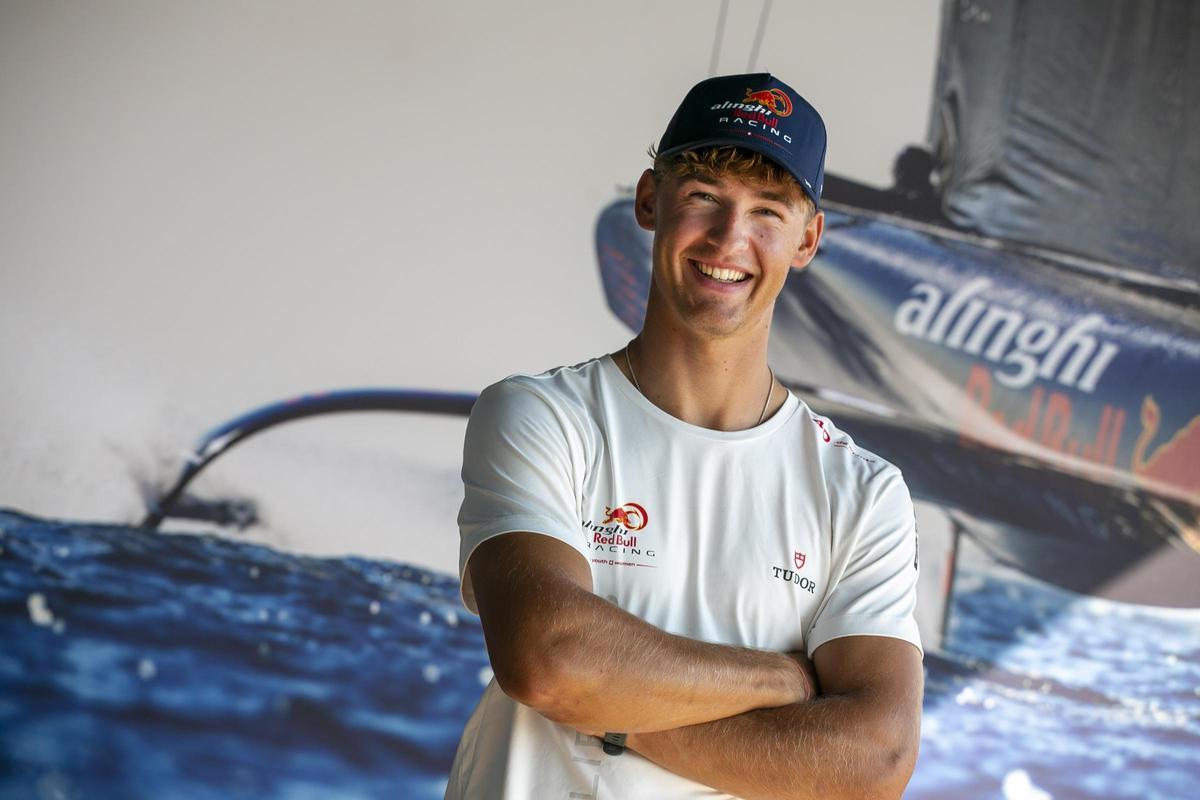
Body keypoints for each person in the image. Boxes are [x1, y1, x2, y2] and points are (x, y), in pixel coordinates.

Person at [444, 73, 924, 800]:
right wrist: (778, 678)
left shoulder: (861, 492)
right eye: (705, 195)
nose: (731, 239)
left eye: (768, 211)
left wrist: (607, 713)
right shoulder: (541, 416)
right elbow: (548, 659)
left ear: (809, 239)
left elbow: (875, 760)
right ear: (649, 199)